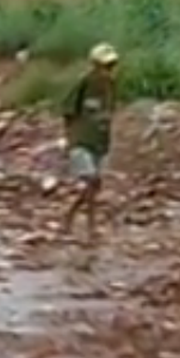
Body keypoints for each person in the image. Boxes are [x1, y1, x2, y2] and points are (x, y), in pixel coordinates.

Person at [60, 42, 119, 240]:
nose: (109, 71)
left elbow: (108, 114)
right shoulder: (84, 83)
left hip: (100, 142)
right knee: (91, 181)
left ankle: (75, 219)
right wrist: (70, 139)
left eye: (111, 66)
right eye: (106, 66)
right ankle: (84, 223)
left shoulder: (111, 87)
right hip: (82, 140)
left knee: (95, 186)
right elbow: (68, 110)